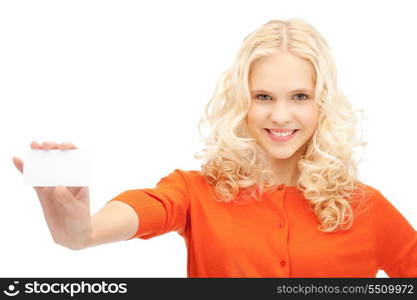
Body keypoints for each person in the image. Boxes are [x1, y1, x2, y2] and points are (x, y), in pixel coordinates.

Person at [13, 18, 417, 277]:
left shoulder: (365, 207)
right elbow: (132, 213)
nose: (280, 116)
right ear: (241, 101)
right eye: (263, 97)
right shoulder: (195, 192)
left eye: (299, 97)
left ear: (322, 103)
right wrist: (79, 229)